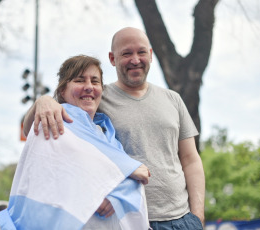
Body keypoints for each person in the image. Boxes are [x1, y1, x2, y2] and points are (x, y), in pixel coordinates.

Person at [23, 27, 205, 230]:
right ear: (112, 58)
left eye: (141, 52)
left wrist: (197, 216)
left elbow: (190, 160)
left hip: (183, 219)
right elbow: (41, 124)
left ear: (151, 55)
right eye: (127, 53)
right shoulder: (96, 96)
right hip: (133, 219)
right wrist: (43, 100)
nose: (135, 59)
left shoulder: (173, 99)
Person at [0, 55, 151, 229]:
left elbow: (134, 177)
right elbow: (54, 179)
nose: (89, 87)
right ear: (62, 90)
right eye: (79, 80)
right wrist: (43, 100)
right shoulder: (55, 123)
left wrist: (117, 195)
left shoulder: (108, 136)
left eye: (95, 81)